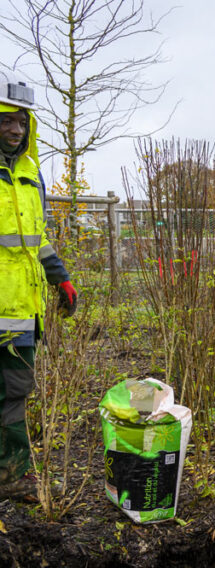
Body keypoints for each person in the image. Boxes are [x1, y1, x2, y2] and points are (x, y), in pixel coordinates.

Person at [0, 69, 78, 501]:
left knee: (14, 395)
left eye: (21, 121)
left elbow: (37, 237)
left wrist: (60, 279)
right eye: (6, 119)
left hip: (20, 311)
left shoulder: (31, 174)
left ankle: (12, 476)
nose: (15, 129)